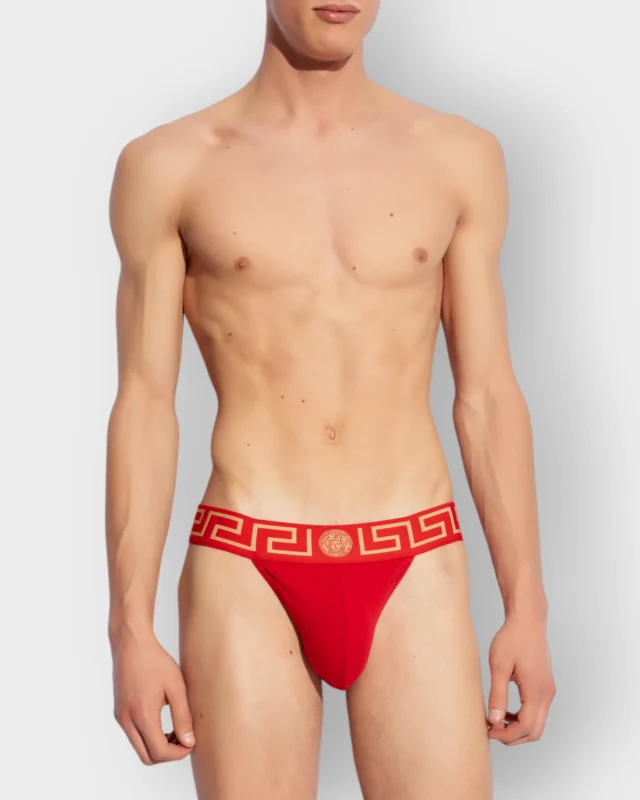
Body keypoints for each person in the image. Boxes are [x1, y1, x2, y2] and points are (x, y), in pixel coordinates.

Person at [105, 1, 556, 797]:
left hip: (415, 552)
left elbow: (486, 393)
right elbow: (144, 402)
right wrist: (129, 630)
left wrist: (528, 607)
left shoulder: (458, 156)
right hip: (247, 559)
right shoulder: (170, 165)